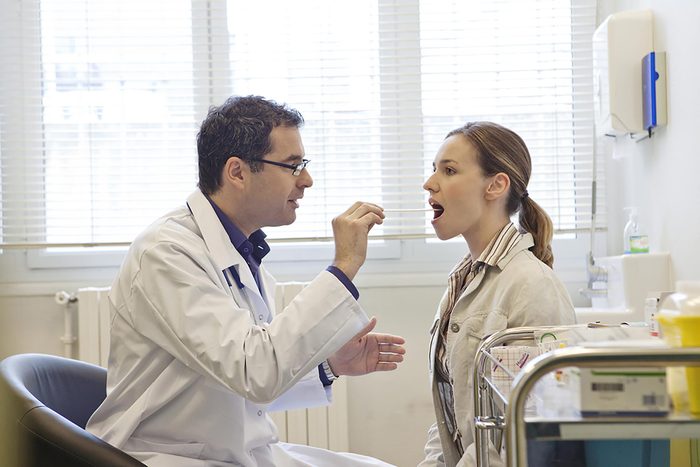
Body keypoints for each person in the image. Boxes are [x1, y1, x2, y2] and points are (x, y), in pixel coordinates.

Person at [86, 95, 406, 467]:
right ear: (237, 172)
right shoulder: (165, 254)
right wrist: (344, 265)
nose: (306, 180)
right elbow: (254, 373)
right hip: (168, 457)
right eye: (292, 166)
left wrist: (329, 365)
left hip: (234, 451)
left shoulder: (240, 250)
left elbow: (244, 383)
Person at [418, 121, 576, 467]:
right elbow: (451, 412)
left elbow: (526, 426)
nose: (429, 183)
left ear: (496, 185)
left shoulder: (531, 286)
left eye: (449, 170)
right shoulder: (462, 281)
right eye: (434, 170)